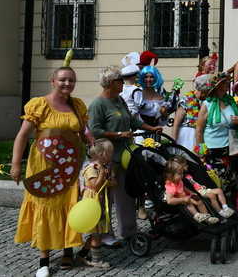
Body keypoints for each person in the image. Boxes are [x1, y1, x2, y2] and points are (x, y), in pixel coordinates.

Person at [12, 66, 88, 277]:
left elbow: (83, 133)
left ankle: (68, 250)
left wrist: (93, 143)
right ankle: (43, 260)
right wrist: (16, 164)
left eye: (71, 80)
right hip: (43, 168)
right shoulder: (39, 105)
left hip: (70, 167)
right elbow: (22, 136)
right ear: (53, 81)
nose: (67, 84)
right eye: (63, 79)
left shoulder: (77, 106)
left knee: (69, 205)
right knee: (46, 206)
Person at [88, 66, 162, 246]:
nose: (124, 83)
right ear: (111, 83)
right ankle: (105, 235)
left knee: (126, 195)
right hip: (107, 157)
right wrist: (118, 135)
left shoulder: (119, 99)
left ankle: (128, 231)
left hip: (125, 155)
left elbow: (133, 120)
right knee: (105, 198)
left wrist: (151, 128)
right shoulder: (98, 104)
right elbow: (95, 130)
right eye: (120, 80)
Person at [195, 72, 238, 201]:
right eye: (222, 84)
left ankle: (231, 208)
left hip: (229, 148)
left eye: (227, 84)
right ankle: (218, 208)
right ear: (215, 87)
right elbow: (199, 129)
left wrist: (237, 121)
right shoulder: (207, 104)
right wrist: (201, 150)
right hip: (212, 149)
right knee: (216, 181)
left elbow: (236, 121)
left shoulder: (230, 101)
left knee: (231, 180)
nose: (225, 86)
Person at [76, 139, 115, 269]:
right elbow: (95, 186)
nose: (112, 156)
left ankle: (82, 255)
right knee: (96, 234)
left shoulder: (102, 167)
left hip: (99, 202)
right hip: (92, 204)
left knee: (96, 232)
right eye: (110, 153)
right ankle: (96, 260)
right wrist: (103, 174)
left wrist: (109, 179)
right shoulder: (91, 169)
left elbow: (110, 184)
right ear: (102, 155)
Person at [163, 157, 219, 224]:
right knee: (189, 203)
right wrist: (183, 199)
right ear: (170, 175)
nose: (182, 175)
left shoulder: (179, 180)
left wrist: (190, 192)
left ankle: (207, 218)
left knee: (199, 201)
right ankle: (196, 215)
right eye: (179, 174)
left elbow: (183, 187)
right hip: (178, 199)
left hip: (184, 196)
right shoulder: (171, 186)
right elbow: (169, 201)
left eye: (182, 173)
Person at [172, 75, 209, 151]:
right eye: (205, 92)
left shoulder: (206, 102)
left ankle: (201, 153)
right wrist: (173, 142)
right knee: (187, 157)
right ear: (200, 89)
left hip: (201, 135)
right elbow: (176, 123)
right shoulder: (186, 99)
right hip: (186, 136)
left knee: (199, 158)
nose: (206, 95)